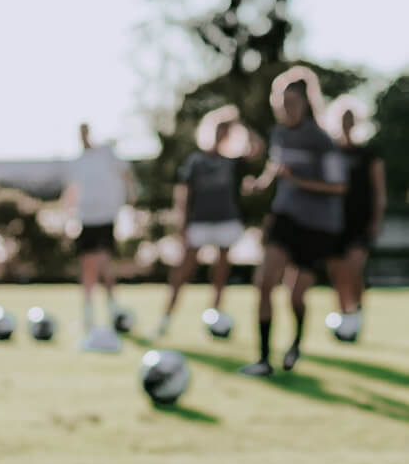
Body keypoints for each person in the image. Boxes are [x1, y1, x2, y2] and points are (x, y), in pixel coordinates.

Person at [239, 69, 346, 378]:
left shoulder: (322, 141)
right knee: (264, 284)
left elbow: (338, 187)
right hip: (285, 217)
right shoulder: (280, 134)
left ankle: (295, 344)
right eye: (282, 102)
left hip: (317, 225)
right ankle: (262, 360)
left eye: (293, 102)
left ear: (306, 103)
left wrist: (299, 180)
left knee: (296, 296)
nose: (287, 108)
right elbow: (276, 167)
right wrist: (260, 183)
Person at [153, 108, 264, 340]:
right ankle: (166, 318)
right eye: (217, 129)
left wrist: (242, 123)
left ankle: (214, 318)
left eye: (225, 130)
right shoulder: (196, 161)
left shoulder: (234, 162)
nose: (220, 134)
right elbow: (183, 194)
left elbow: (258, 149)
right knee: (183, 271)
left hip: (227, 221)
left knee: (220, 273)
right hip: (199, 222)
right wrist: (181, 224)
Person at [60, 123, 134, 342]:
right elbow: (71, 190)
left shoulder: (106, 153)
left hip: (105, 217)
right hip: (86, 219)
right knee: (88, 266)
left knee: (103, 263)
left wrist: (130, 200)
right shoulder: (77, 162)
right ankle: (89, 314)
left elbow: (126, 174)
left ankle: (113, 310)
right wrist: (68, 218)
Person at [328, 100, 387, 340]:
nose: (347, 122)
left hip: (360, 221)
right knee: (338, 272)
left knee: (354, 270)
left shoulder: (368, 154)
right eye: (343, 117)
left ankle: (356, 314)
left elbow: (378, 190)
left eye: (351, 118)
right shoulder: (331, 151)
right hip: (333, 222)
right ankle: (344, 317)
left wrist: (376, 220)